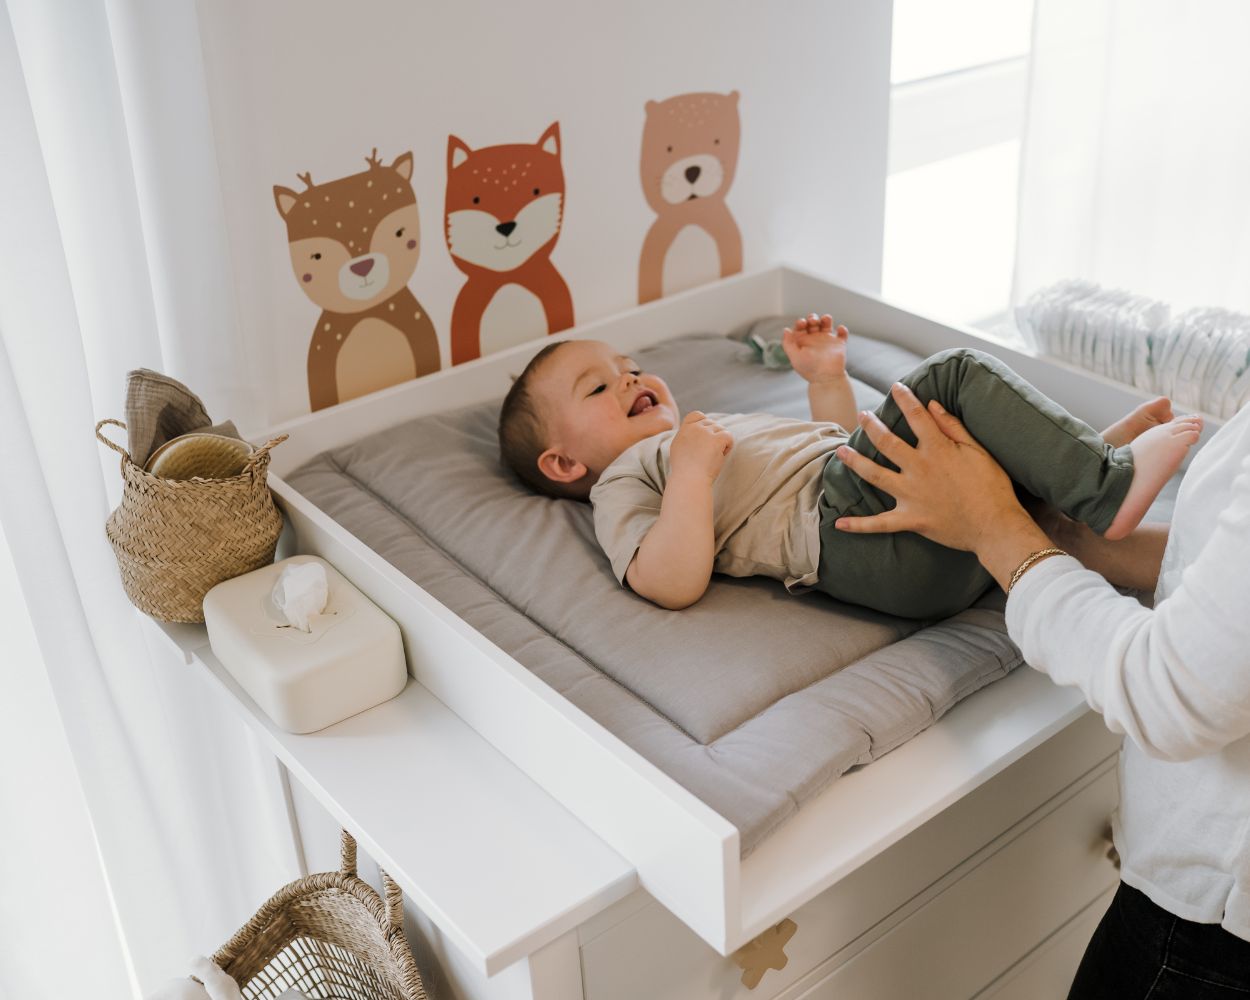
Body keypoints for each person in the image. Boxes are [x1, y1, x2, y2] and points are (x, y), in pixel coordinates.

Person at [833, 379, 1250, 996]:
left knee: (957, 373)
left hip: (1216, 931)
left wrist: (995, 528)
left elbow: (1175, 692)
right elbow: (1227, 588)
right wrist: (1071, 541)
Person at [497, 314, 1200, 618]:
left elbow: (834, 439)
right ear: (563, 463)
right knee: (949, 379)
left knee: (966, 453)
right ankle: (1103, 482)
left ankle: (1149, 537)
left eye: (630, 367)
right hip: (855, 538)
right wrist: (687, 474)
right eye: (598, 387)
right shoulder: (626, 479)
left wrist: (825, 374)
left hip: (882, 510)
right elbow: (667, 581)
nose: (628, 379)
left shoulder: (702, 431)